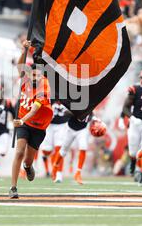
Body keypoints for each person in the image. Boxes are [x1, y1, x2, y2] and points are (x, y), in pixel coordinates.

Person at [9, 40, 53, 199]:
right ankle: (13, 188)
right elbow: (20, 66)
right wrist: (24, 50)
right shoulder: (25, 79)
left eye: (38, 75)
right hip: (23, 122)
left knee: (27, 160)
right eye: (32, 74)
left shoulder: (45, 87)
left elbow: (35, 108)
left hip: (39, 126)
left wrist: (22, 120)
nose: (35, 77)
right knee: (19, 152)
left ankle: (28, 167)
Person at [51, 114, 92, 185]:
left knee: (83, 147)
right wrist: (75, 111)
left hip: (82, 129)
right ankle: (55, 166)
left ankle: (78, 173)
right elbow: (66, 112)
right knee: (63, 150)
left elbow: (91, 113)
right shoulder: (73, 103)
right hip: (70, 128)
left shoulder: (89, 103)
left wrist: (94, 119)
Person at [39, 101, 70, 177]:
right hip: (49, 124)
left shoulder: (68, 95)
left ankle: (57, 172)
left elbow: (74, 110)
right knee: (47, 150)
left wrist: (68, 112)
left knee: (59, 148)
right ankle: (47, 166)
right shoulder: (49, 94)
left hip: (62, 124)